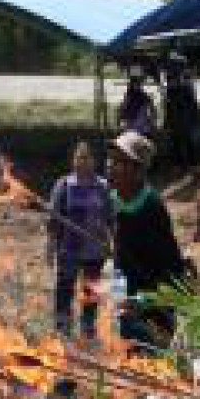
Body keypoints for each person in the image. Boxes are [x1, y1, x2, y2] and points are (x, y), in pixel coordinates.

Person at [106, 131, 188, 347]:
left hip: (153, 304)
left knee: (154, 358)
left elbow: (170, 268)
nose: (111, 166)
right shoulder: (114, 199)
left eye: (120, 162)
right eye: (111, 159)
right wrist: (117, 290)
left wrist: (144, 300)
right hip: (126, 293)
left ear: (138, 170)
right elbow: (119, 252)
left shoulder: (151, 207)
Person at [47, 141, 114, 339]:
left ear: (94, 161)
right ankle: (62, 328)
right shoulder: (64, 185)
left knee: (91, 290)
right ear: (73, 160)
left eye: (87, 157)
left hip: (95, 249)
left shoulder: (103, 186)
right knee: (64, 288)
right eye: (79, 157)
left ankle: (88, 327)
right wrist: (51, 246)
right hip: (68, 249)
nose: (82, 162)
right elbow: (53, 219)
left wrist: (112, 242)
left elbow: (111, 217)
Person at [164, 65, 200, 167]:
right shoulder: (172, 90)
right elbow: (169, 108)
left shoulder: (185, 89)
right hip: (177, 121)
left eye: (171, 79)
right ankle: (181, 164)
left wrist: (194, 120)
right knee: (178, 143)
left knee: (187, 143)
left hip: (184, 121)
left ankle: (191, 164)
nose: (171, 82)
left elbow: (193, 106)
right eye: (169, 80)